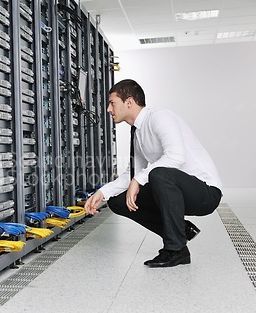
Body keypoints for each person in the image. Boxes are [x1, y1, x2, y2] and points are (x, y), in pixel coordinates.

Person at [84, 79, 222, 268]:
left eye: (112, 103)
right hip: (174, 191)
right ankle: (181, 230)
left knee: (158, 174)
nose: (108, 109)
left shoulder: (160, 117)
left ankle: (176, 249)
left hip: (205, 191)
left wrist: (138, 180)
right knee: (118, 201)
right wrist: (102, 193)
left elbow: (176, 157)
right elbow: (131, 174)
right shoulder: (138, 132)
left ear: (129, 102)